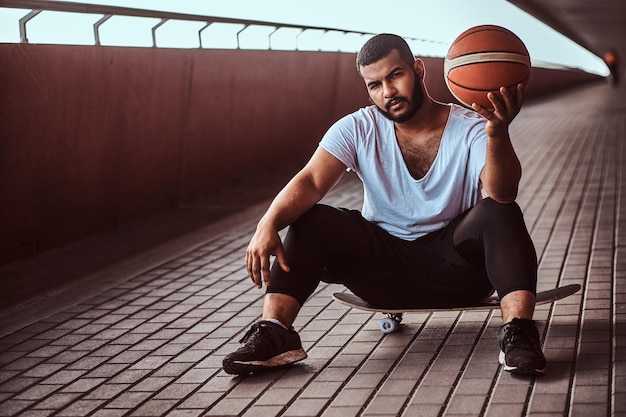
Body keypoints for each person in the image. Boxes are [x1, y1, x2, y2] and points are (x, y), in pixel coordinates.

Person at [222, 33, 545, 377]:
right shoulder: (358, 127)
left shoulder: (472, 127)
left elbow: (504, 190)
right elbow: (312, 181)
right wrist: (267, 223)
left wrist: (498, 133)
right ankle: (275, 332)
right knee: (312, 219)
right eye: (374, 84)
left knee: (500, 210)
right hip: (383, 272)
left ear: (418, 70)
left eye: (395, 76)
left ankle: (519, 334)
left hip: (458, 268)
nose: (387, 92)